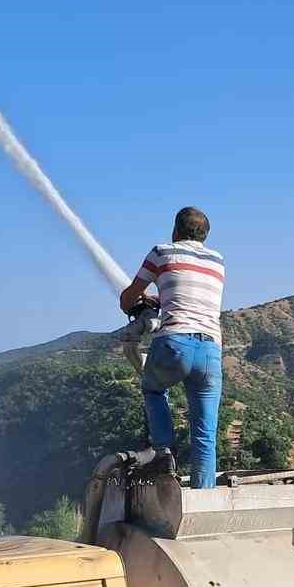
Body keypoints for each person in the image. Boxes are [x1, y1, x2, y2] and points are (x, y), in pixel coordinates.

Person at [117, 206, 224, 489]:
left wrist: (143, 300)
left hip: (174, 342)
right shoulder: (217, 260)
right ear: (205, 236)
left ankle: (164, 453)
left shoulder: (162, 252)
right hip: (211, 349)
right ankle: (204, 498)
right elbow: (188, 294)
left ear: (176, 231)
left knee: (153, 388)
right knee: (205, 434)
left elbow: (128, 300)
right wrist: (161, 297)